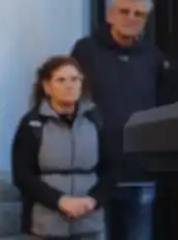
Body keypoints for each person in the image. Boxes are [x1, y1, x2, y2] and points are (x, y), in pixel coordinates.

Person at [70, 0, 178, 240]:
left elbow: (165, 108)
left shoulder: (154, 57)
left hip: (139, 170)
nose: (130, 18)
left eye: (138, 14)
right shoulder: (86, 51)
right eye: (124, 11)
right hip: (94, 170)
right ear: (110, 14)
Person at [12, 55, 115, 240]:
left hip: (90, 222)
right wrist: (60, 201)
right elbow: (22, 175)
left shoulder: (96, 121)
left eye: (75, 79)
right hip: (46, 225)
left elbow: (112, 168)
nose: (70, 85)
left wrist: (93, 200)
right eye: (61, 80)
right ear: (47, 87)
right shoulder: (32, 124)